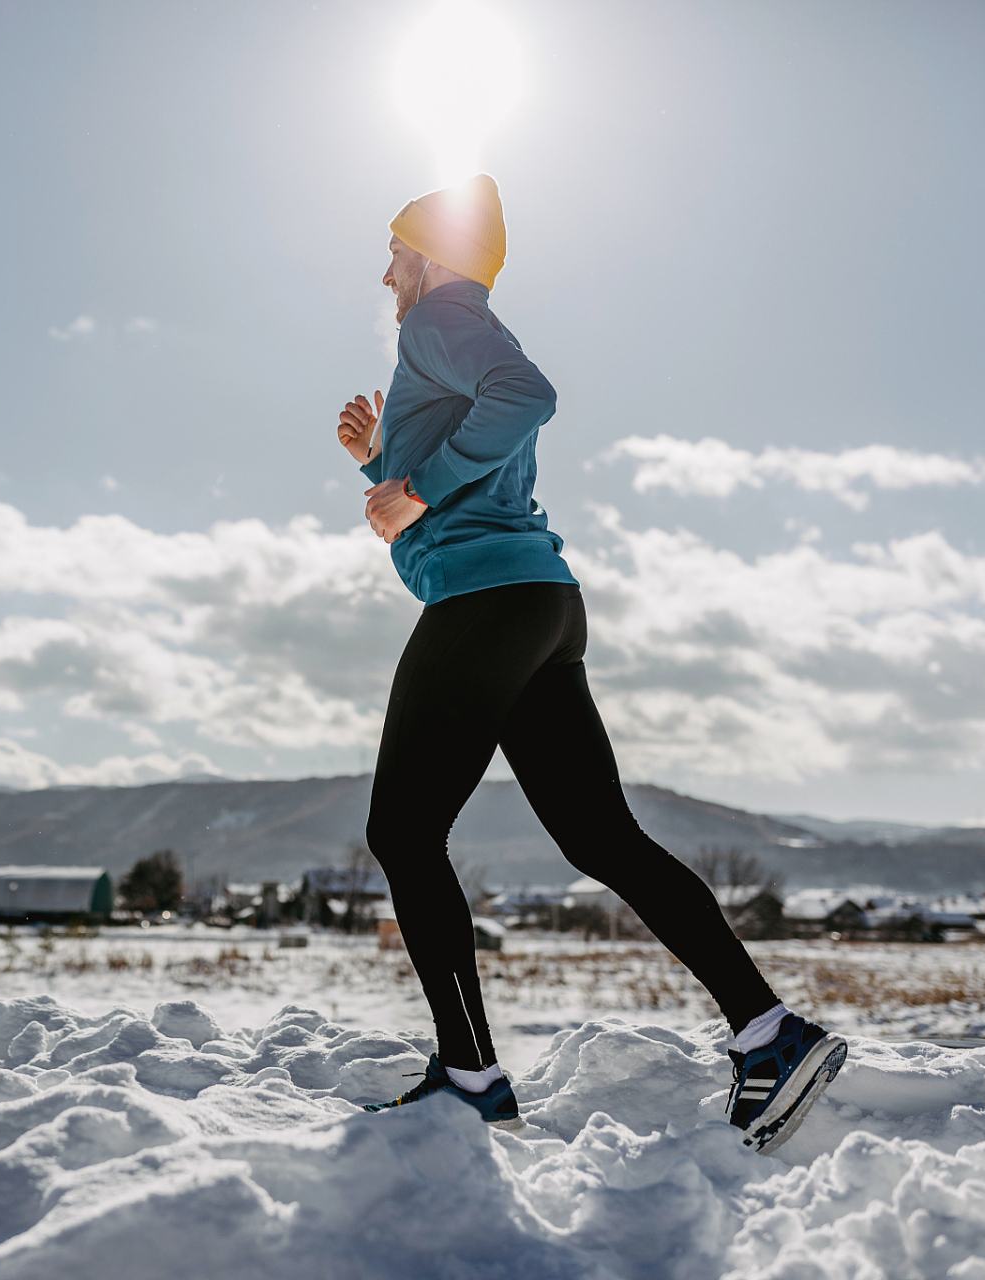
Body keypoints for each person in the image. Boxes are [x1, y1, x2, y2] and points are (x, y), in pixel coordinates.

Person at [336, 174, 845, 1154]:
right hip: (537, 604)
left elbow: (526, 398)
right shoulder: (454, 329)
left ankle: (471, 1078)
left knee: (401, 830)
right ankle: (769, 1034)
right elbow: (466, 463)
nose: (385, 269)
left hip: (486, 604)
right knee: (601, 838)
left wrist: (413, 492)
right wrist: (379, 468)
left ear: (431, 256)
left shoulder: (439, 317)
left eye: (395, 247)